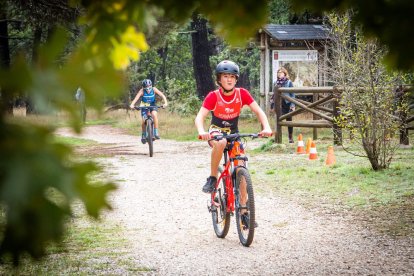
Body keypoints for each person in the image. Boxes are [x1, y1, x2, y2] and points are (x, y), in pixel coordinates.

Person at [195, 60, 272, 194]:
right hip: (216, 131)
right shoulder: (213, 96)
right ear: (219, 79)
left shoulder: (242, 94)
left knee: (241, 168)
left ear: (236, 79)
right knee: (221, 142)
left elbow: (259, 111)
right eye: (225, 76)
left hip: (234, 133)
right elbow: (200, 116)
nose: (229, 80)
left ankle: (243, 209)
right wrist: (201, 131)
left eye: (232, 77)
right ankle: (213, 177)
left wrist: (267, 127)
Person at [275, 67, 295, 143]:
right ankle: (278, 138)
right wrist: (273, 105)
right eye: (278, 72)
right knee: (278, 120)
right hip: (279, 104)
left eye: (281, 72)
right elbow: (274, 95)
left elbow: (293, 94)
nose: (279, 74)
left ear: (285, 73)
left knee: (289, 121)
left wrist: (292, 105)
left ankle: (290, 137)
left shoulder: (289, 82)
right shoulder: (276, 82)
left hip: (288, 103)